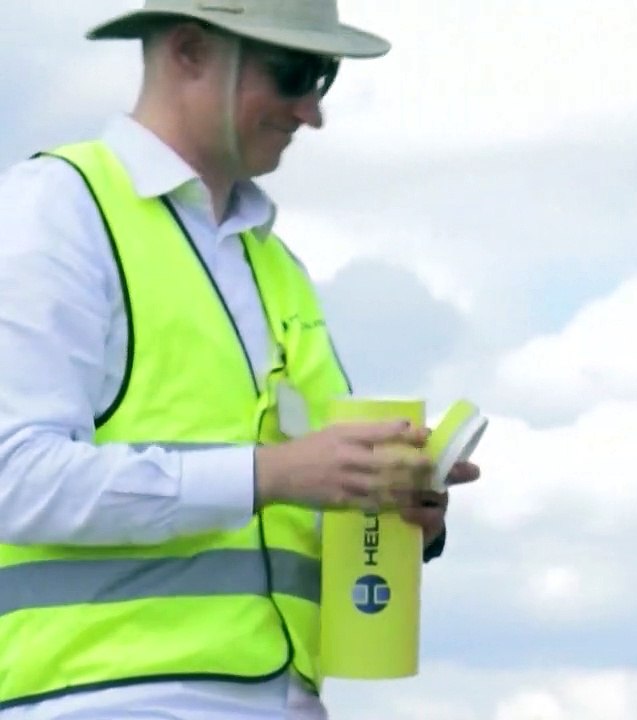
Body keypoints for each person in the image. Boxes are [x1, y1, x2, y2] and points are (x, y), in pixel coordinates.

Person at [0, 1, 478, 718]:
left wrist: (397, 508)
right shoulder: (55, 209)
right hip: (104, 699)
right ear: (189, 51)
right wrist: (275, 472)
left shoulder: (274, 265)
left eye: (326, 77)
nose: (311, 111)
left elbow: (294, 502)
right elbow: (16, 478)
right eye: (295, 72)